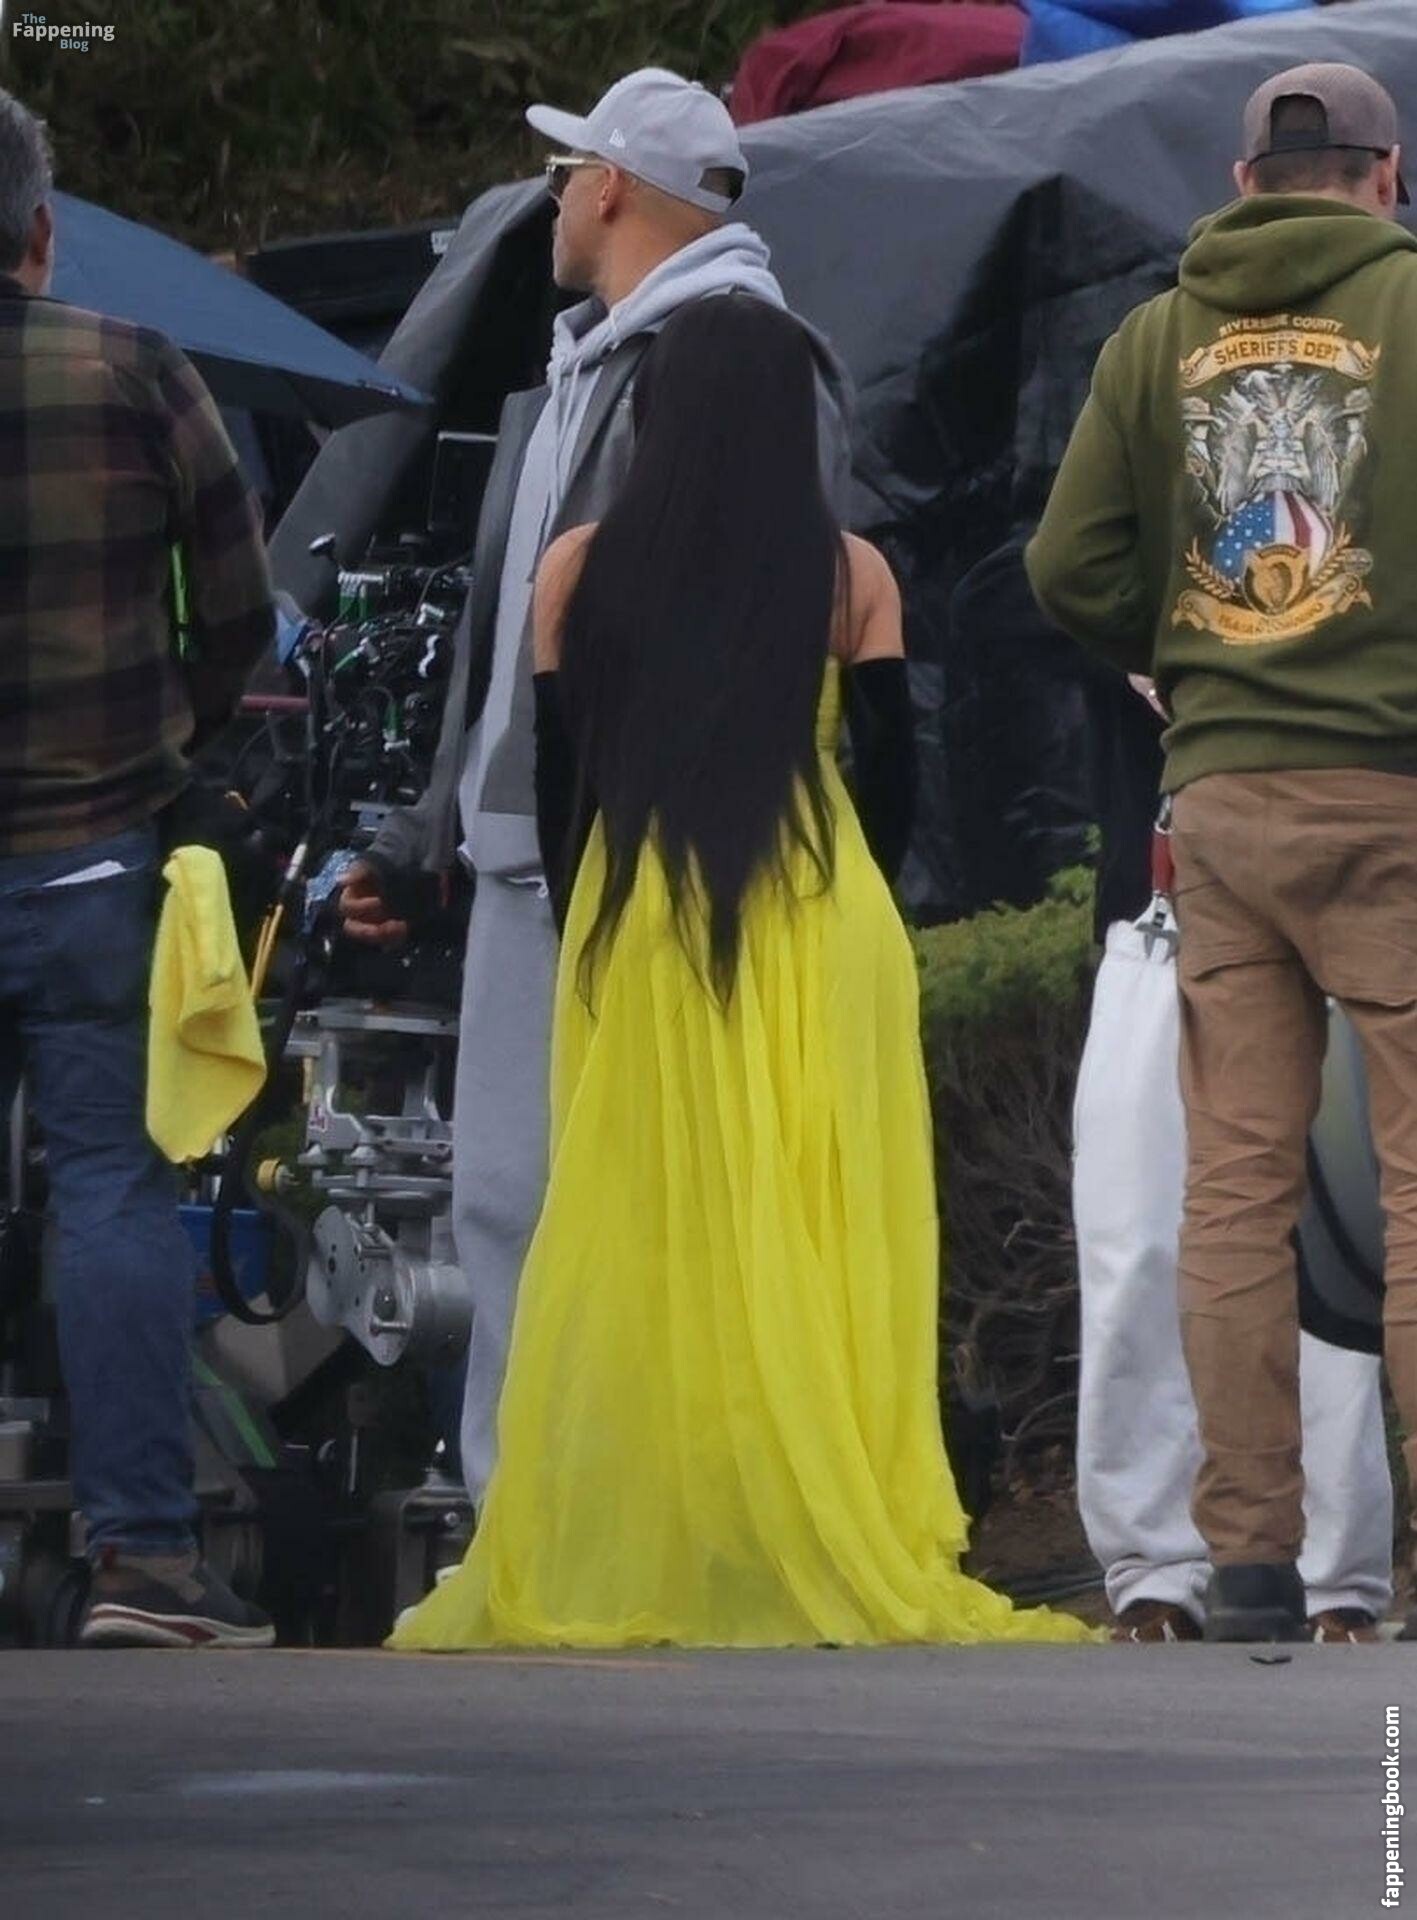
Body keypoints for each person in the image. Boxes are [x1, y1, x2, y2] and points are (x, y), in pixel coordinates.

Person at [390, 297, 1096, 1650]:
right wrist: (839, 902)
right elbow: (891, 792)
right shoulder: (848, 575)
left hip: (644, 922)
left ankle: (660, 1529)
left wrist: (597, 928)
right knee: (818, 1224)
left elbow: (563, 788)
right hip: (817, 915)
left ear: (654, 424)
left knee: (645, 1227)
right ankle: (816, 1511)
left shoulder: (576, 571)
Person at [339, 69, 851, 1508]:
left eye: (569, 175)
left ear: (613, 186)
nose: (556, 198)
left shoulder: (739, 358)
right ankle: (526, 1519)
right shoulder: (575, 369)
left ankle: (634, 1520)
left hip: (640, 859)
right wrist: (431, 830)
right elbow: (509, 631)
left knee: (640, 1202)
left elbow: (747, 622)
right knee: (506, 1194)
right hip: (523, 852)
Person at [1027, 63, 1417, 1642]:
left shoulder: (1154, 336)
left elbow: (1068, 563)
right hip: (1392, 794)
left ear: (1244, 181)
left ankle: (1247, 1557)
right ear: (1386, 176)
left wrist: (1185, 651)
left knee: (1236, 1187)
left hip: (1225, 801)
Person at [0, 91, 276, 1646]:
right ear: (42, 232)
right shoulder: (134, 366)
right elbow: (241, 607)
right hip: (91, 857)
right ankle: (143, 1562)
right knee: (111, 1190)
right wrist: (185, 726)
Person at [1070, 664, 1393, 1643]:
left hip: (1336, 907)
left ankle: (1331, 1575)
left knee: (1318, 1252)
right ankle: (1153, 1567)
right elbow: (1052, 597)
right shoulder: (1151, 593)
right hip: (1155, 920)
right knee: (1137, 1244)